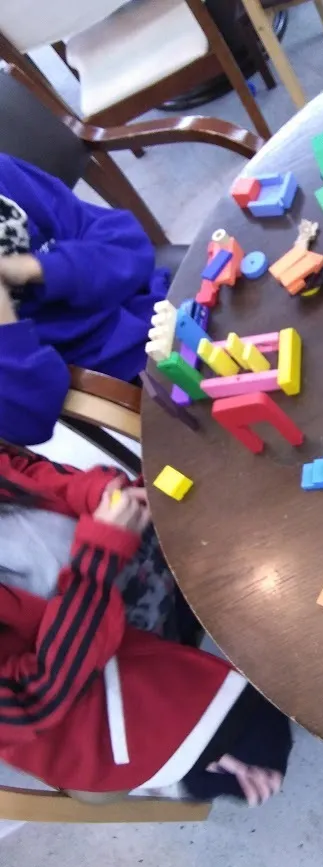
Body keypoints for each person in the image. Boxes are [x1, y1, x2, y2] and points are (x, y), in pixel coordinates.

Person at [0, 442, 292, 806]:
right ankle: (170, 781)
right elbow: (37, 695)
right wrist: (100, 554)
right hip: (88, 685)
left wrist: (98, 492)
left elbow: (21, 467)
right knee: (265, 746)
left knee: (229, 493)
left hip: (116, 568)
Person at [0, 153, 169, 448]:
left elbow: (128, 243)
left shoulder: (5, 175)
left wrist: (37, 268)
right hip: (130, 367)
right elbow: (30, 419)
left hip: (161, 302)